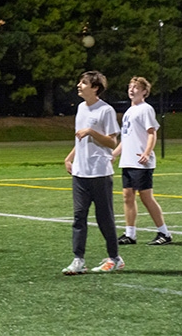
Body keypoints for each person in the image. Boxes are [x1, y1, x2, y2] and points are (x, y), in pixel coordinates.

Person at [62, 71, 123, 275]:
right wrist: (70, 157)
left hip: (99, 172)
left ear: (95, 87)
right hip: (80, 173)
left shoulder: (106, 110)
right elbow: (80, 138)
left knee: (104, 218)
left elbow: (111, 141)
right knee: (79, 217)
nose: (79, 85)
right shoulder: (80, 108)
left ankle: (114, 258)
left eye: (84, 82)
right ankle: (78, 259)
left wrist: (91, 132)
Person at [113, 76, 171, 246]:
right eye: (130, 86)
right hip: (128, 161)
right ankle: (130, 234)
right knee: (127, 197)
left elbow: (152, 133)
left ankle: (164, 233)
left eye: (136, 87)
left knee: (146, 198)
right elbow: (126, 138)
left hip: (140, 161)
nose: (132, 90)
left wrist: (147, 152)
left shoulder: (145, 109)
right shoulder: (129, 112)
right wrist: (114, 155)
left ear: (145, 91)